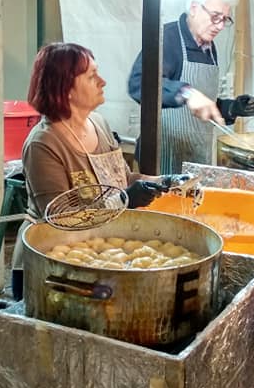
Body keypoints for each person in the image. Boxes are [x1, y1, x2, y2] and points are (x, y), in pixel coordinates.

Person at [12, 42, 173, 299]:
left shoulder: (99, 124)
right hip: (51, 266)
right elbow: (61, 219)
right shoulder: (44, 143)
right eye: (91, 76)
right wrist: (125, 199)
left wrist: (166, 182)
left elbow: (123, 178)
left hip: (98, 252)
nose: (102, 81)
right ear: (65, 89)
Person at [128, 0, 254, 174]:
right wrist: (186, 93)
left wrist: (231, 108)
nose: (220, 26)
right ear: (194, 8)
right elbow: (139, 84)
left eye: (225, 19)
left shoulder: (209, 49)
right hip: (161, 161)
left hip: (196, 159)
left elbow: (203, 106)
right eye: (215, 16)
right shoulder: (167, 39)